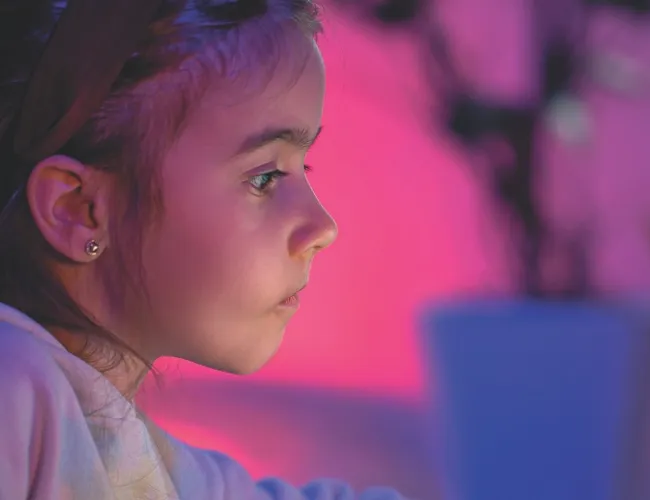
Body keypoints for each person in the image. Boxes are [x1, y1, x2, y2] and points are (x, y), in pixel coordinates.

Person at [0, 0, 406, 498]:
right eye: (265, 177)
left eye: (304, 168)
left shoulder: (154, 467)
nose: (323, 227)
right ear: (78, 210)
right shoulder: (12, 379)